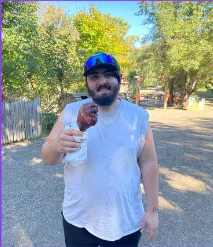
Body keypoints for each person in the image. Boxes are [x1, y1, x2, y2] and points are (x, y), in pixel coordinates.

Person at [41, 52, 159, 247]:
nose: (102, 81)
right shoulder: (71, 112)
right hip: (78, 219)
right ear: (87, 82)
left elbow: (149, 163)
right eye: (94, 76)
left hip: (126, 220)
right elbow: (48, 157)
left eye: (108, 74)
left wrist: (153, 210)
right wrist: (57, 145)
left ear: (119, 79)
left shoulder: (138, 116)